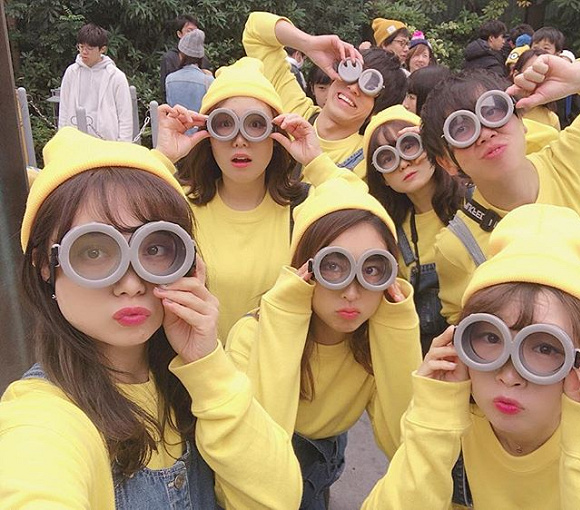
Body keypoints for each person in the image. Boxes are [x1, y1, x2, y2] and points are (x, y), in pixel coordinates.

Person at [0, 127, 302, 508]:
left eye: (154, 248)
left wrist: (209, 366)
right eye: (93, 252)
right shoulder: (42, 417)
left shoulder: (191, 383)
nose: (130, 283)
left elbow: (280, 498)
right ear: (46, 264)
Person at [362, 203, 580, 509]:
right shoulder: (458, 421)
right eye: (491, 338)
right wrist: (432, 422)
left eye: (545, 348)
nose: (509, 375)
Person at [420, 28, 580, 339]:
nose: (485, 132)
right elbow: (471, 337)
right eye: (461, 129)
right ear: (447, 162)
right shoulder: (456, 245)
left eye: (493, 110)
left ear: (522, 120)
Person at [227, 177, 422, 509]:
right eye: (333, 266)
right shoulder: (250, 335)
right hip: (253, 474)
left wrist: (398, 326)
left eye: (373, 269)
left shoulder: (375, 342)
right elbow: (258, 460)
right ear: (305, 268)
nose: (352, 291)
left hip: (323, 459)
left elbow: (401, 443)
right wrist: (286, 316)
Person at [156, 57, 361, 342]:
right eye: (224, 124)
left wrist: (316, 161)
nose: (240, 140)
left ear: (275, 134)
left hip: (279, 365)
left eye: (256, 125)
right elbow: (118, 212)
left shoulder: (302, 207)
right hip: (199, 363)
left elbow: (362, 211)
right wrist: (163, 157)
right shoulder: (180, 204)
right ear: (207, 134)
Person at [243, 11, 408, 179]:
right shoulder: (296, 110)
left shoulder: (370, 161)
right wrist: (308, 44)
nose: (353, 88)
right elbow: (255, 31)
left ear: (377, 111)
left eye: (370, 87)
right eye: (352, 73)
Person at [365, 105, 458, 354]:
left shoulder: (478, 198)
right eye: (387, 158)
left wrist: (439, 140)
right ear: (382, 178)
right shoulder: (390, 234)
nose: (403, 163)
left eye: (409, 146)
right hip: (433, 355)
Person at [58, 23, 133, 142]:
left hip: (106, 141)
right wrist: (62, 138)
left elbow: (125, 115)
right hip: (76, 140)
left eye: (90, 49)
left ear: (102, 49)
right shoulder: (72, 72)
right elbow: (64, 108)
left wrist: (123, 145)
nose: (84, 52)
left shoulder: (116, 76)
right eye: (81, 47)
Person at [160, 14, 212, 97]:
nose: (193, 35)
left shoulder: (203, 58)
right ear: (179, 34)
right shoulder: (169, 58)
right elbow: (165, 91)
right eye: (189, 31)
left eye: (195, 31)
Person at [165, 29, 214, 112]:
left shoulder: (170, 79)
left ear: (182, 54)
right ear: (200, 57)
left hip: (177, 120)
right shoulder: (208, 80)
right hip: (200, 120)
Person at [512, 49, 561, 131]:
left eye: (545, 75)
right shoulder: (502, 109)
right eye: (532, 72)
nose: (538, 79)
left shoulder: (551, 119)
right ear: (516, 75)